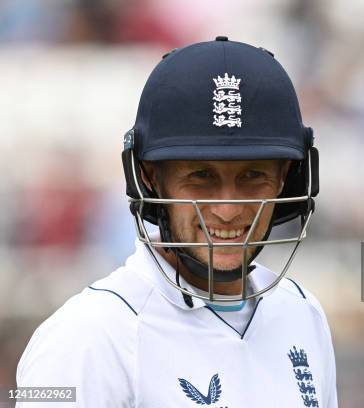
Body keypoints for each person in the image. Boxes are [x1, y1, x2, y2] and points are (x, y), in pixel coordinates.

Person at [16, 36, 337, 408]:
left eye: (252, 176)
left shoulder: (303, 313)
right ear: (150, 177)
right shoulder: (86, 338)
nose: (229, 210)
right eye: (201, 176)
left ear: (285, 178)